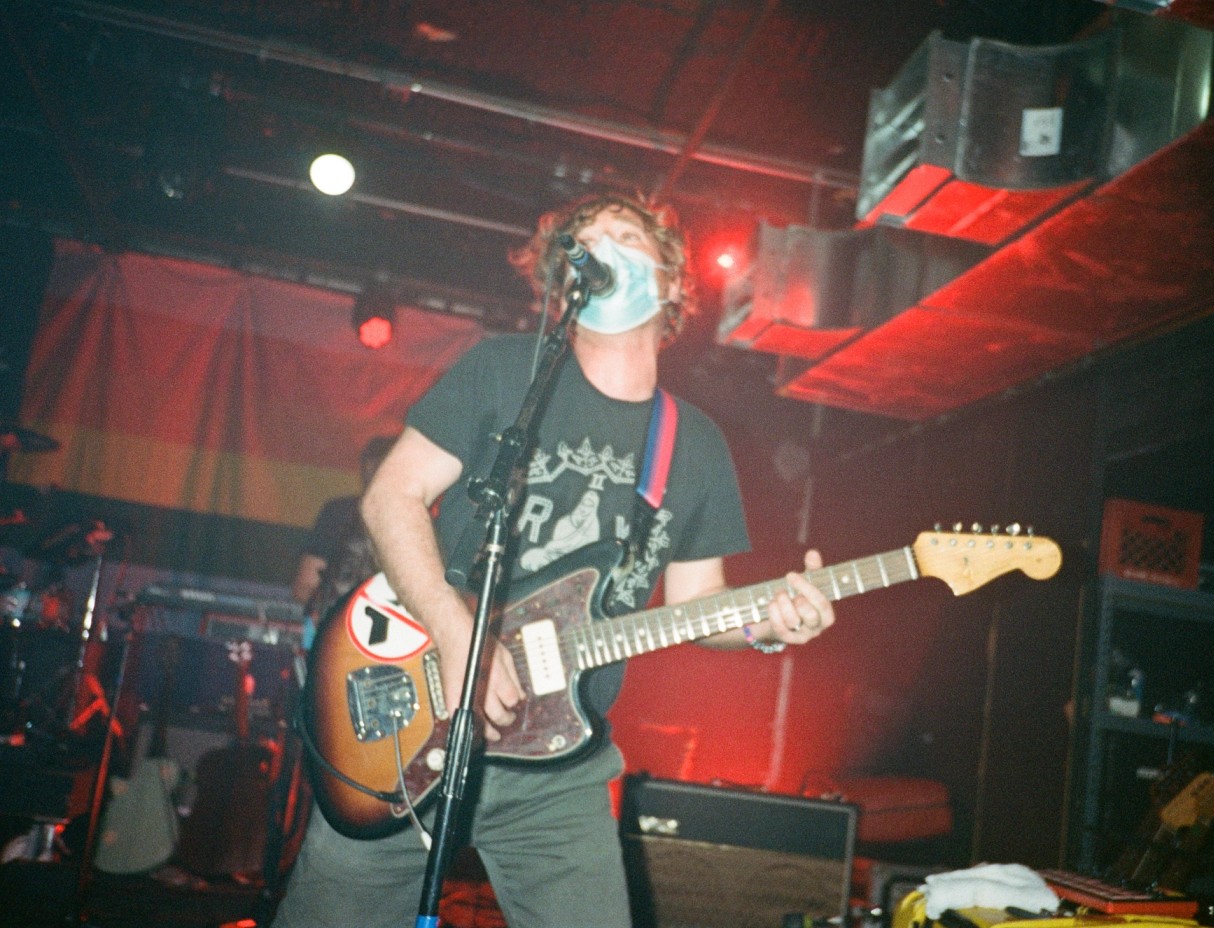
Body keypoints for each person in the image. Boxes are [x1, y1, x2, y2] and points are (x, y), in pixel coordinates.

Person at [271, 193, 836, 928]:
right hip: (416, 722)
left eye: (621, 237)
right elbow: (391, 499)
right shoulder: (505, 371)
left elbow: (701, 606)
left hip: (560, 771)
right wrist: (455, 630)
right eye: (583, 241)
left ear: (669, 283)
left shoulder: (694, 446)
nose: (597, 248)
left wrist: (768, 624)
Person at [290, 435, 396, 625]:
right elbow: (304, 587)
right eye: (374, 465)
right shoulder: (339, 514)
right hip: (337, 631)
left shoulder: (421, 525)